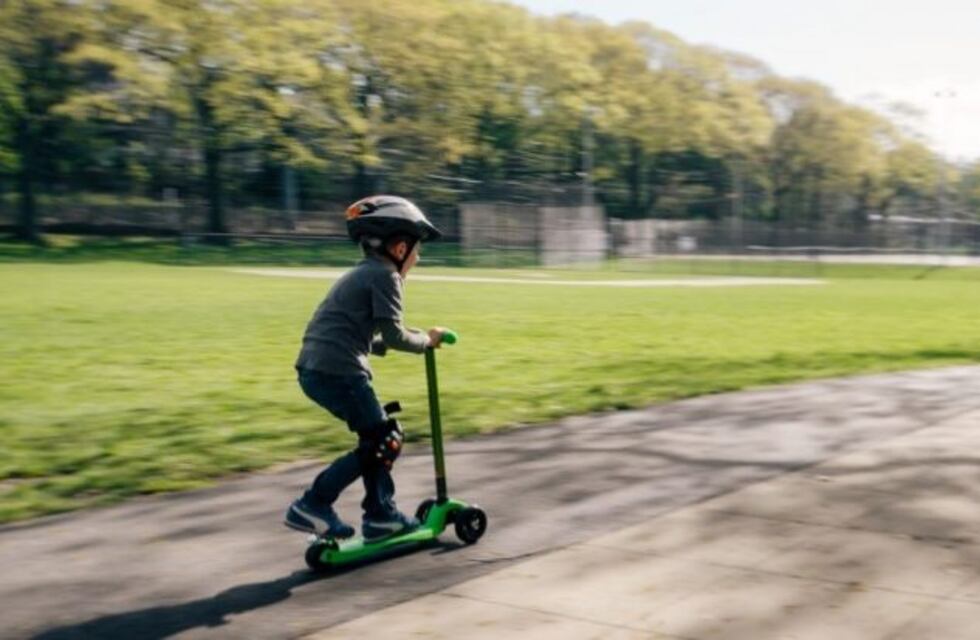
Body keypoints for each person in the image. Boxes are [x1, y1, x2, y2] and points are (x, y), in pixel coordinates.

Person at [284, 195, 447, 541]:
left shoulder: (363, 273)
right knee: (383, 439)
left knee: (378, 437)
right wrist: (427, 342)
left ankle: (380, 515)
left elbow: (359, 334)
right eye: (417, 251)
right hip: (339, 370)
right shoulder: (387, 276)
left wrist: (397, 340)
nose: (417, 259)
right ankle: (315, 504)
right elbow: (394, 335)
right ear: (400, 248)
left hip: (316, 367)